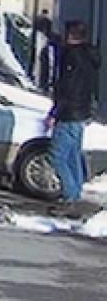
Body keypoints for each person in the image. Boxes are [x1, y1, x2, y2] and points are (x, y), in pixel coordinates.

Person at [48, 20, 100, 208]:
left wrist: (55, 112)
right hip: (82, 111)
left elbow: (67, 88)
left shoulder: (71, 57)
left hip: (69, 113)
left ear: (70, 35)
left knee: (57, 156)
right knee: (73, 155)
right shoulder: (89, 55)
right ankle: (75, 191)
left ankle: (69, 194)